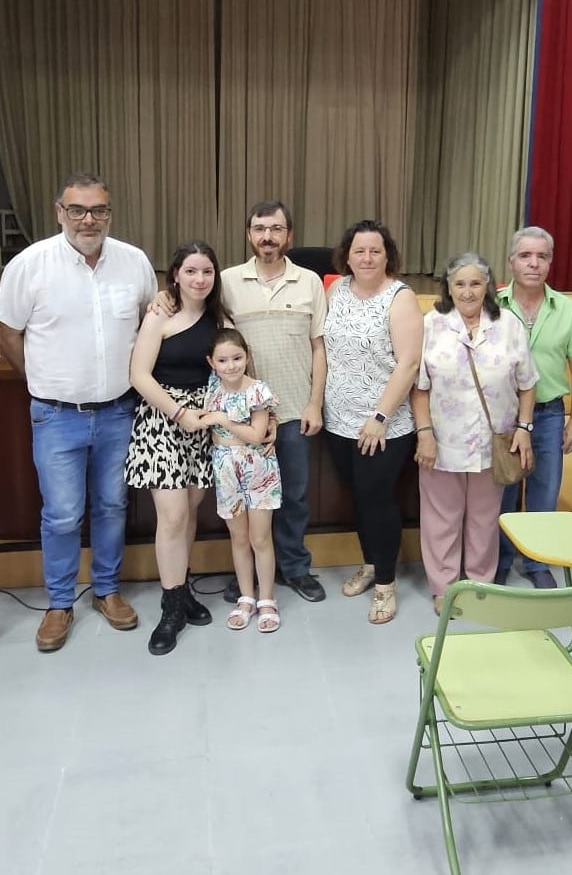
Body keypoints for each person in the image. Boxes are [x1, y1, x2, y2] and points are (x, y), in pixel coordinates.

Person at [0, 172, 157, 652]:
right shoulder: (31, 264)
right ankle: (60, 603)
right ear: (59, 212)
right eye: (78, 210)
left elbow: (150, 320)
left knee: (112, 506)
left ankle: (107, 591)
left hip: (118, 412)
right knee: (62, 515)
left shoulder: (134, 262)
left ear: (110, 212)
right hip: (56, 414)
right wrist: (37, 376)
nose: (89, 219)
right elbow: (4, 328)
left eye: (99, 210)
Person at [413, 252, 537, 614]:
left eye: (475, 283)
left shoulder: (509, 325)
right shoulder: (432, 323)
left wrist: (524, 429)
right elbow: (419, 387)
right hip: (442, 440)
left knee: (485, 518)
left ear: (489, 286)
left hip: (493, 441)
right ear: (448, 287)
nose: (467, 292)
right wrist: (424, 434)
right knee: (441, 518)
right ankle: (444, 586)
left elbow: (527, 383)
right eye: (460, 284)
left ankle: (481, 584)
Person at [220, 202, 328, 604]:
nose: (268, 236)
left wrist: (314, 403)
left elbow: (320, 348)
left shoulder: (310, 281)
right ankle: (247, 576)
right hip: (244, 419)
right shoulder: (228, 281)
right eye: (260, 228)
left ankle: (295, 568)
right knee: (248, 501)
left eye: (276, 229)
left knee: (294, 496)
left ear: (289, 236)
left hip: (296, 409)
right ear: (249, 234)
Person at [126, 240, 228, 654]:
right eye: (191, 271)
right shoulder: (159, 316)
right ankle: (170, 607)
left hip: (201, 424)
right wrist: (177, 413)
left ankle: (183, 589)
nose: (199, 279)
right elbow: (138, 374)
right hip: (162, 422)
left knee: (189, 512)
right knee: (169, 515)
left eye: (206, 271)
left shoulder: (219, 316)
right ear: (175, 275)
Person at [323, 219, 423, 624]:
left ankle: (385, 584)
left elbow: (410, 363)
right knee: (358, 497)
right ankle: (369, 562)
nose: (366, 258)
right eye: (359, 250)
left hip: (384, 424)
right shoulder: (336, 291)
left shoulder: (400, 297)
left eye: (374, 251)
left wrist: (379, 416)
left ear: (387, 256)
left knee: (377, 500)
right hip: (339, 421)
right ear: (347, 255)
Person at [495, 226, 572, 587]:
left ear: (550, 263)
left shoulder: (568, 311)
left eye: (542, 256)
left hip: (550, 414)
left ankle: (536, 562)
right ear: (511, 262)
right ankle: (500, 558)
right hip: (503, 418)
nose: (534, 263)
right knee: (503, 492)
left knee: (544, 492)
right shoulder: (493, 307)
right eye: (525, 255)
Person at [202, 328, 282, 633]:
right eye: (223, 360)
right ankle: (246, 597)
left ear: (247, 356)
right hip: (225, 469)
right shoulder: (212, 387)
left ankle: (267, 598)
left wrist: (222, 419)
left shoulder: (257, 390)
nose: (231, 365)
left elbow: (255, 434)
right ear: (211, 362)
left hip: (258, 469)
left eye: (237, 358)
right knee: (238, 538)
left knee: (260, 538)